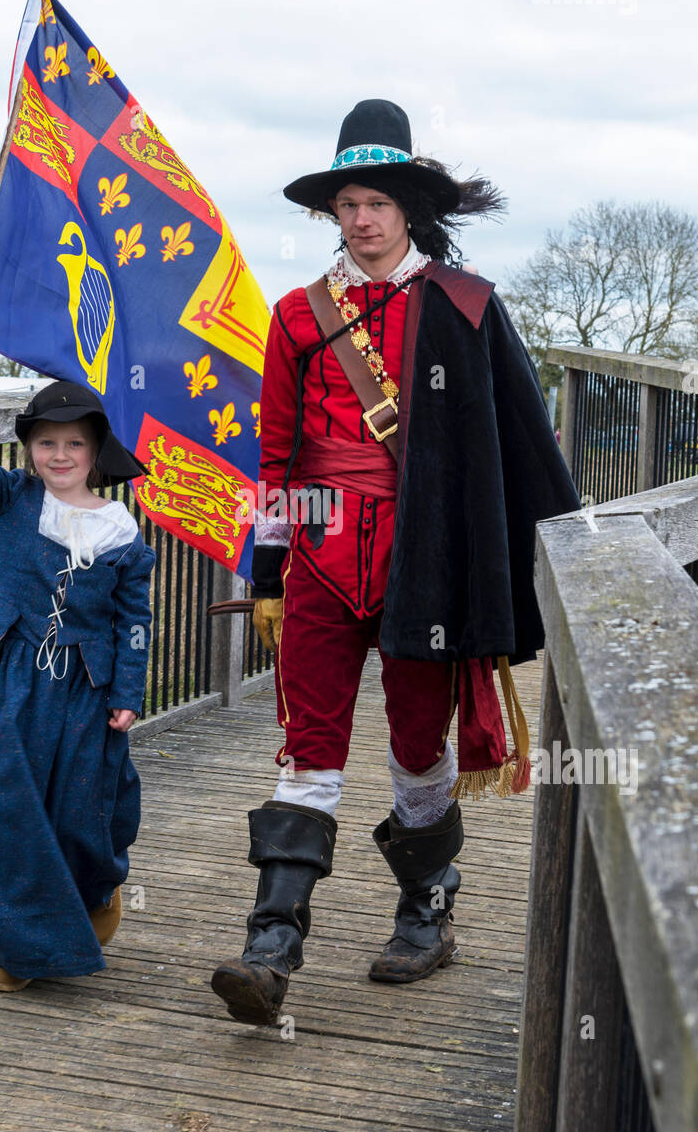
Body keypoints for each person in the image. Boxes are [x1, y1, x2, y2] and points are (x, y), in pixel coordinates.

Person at [209, 99, 581, 1026]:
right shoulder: (298, 316)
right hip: (324, 562)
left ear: (409, 207)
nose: (363, 219)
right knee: (308, 746)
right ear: (331, 214)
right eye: (348, 204)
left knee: (419, 746)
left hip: (425, 557)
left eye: (378, 201)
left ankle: (427, 909)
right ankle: (273, 944)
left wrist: (532, 556)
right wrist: (267, 565)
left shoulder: (463, 307)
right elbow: (277, 449)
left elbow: (515, 441)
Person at [0, 340, 156, 992]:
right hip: (13, 680)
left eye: (74, 445)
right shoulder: (11, 496)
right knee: (5, 808)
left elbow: (133, 623)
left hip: (86, 690)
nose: (59, 457)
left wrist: (127, 692)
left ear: (96, 454)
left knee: (80, 814)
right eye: (46, 443)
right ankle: (10, 950)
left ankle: (93, 891)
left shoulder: (122, 532)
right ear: (30, 450)